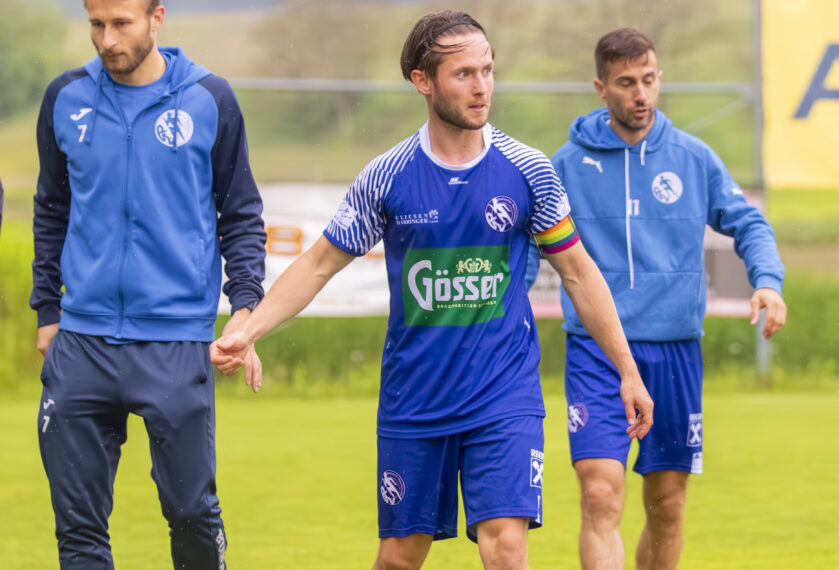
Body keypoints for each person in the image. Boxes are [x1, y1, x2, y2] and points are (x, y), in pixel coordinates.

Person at [211, 11, 653, 569]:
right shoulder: (388, 175)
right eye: (464, 73)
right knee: (400, 557)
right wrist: (247, 328)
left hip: (503, 392)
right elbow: (320, 265)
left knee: (507, 547)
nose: (482, 86)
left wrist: (627, 370)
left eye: (488, 70)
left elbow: (580, 274)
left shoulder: (528, 170)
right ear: (424, 80)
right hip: (415, 397)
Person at [527, 28, 787, 569]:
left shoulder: (694, 158)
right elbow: (531, 252)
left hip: (673, 353)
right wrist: (499, 316)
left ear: (660, 78)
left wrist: (768, 281)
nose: (640, 94)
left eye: (648, 80)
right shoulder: (565, 167)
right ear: (601, 88)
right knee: (600, 492)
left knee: (667, 504)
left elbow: (749, 224)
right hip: (597, 352)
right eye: (626, 83)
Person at [31, 0, 266, 567]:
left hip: (174, 340)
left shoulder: (210, 99)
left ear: (157, 18)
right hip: (82, 341)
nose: (107, 39)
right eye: (95, 25)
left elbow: (239, 213)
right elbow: (51, 208)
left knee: (190, 512)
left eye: (121, 24)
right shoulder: (65, 98)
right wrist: (47, 311)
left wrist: (245, 305)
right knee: (78, 529)